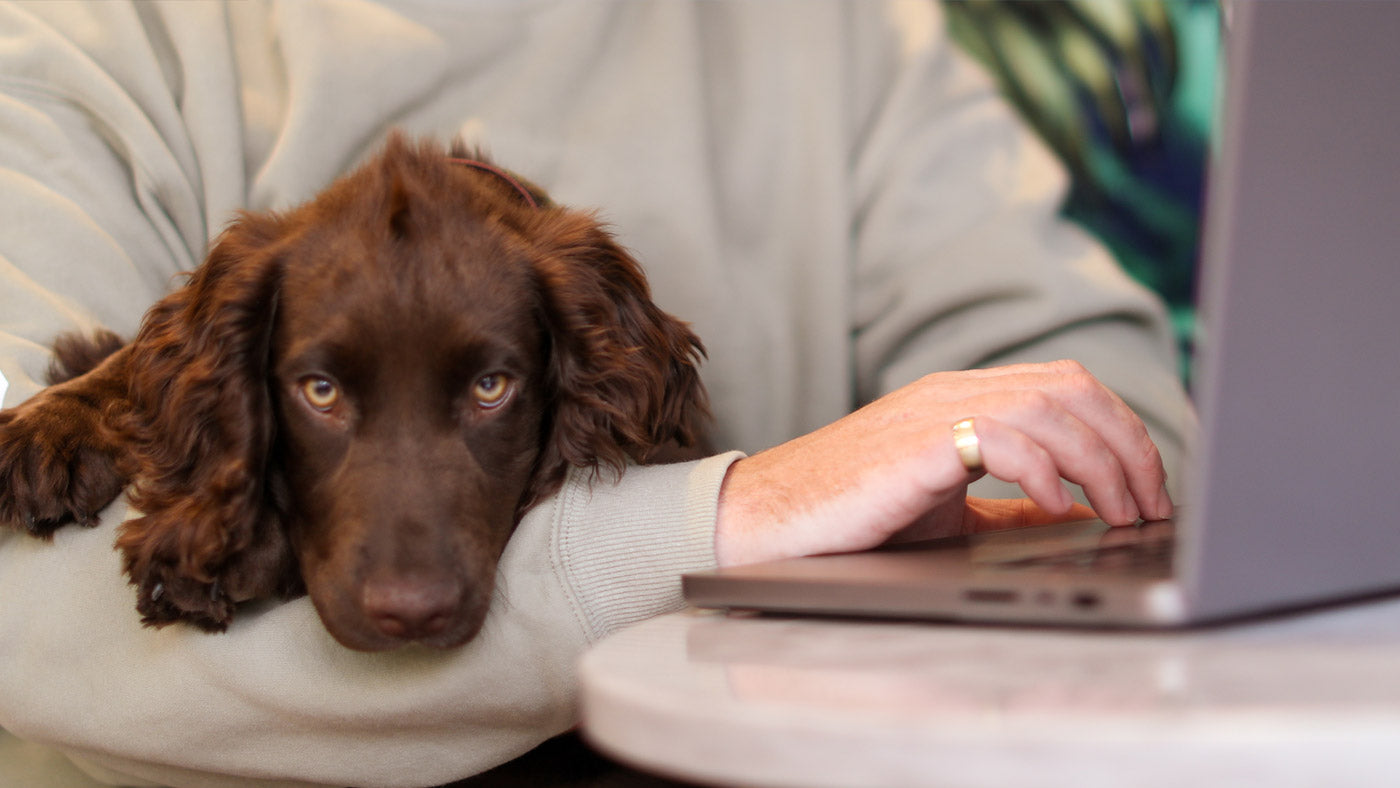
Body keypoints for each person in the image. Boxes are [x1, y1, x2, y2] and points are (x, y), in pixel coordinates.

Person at [0, 1, 1188, 786]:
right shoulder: (93, 35)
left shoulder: (832, 30)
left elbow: (1087, 385)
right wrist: (721, 526)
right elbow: (21, 604)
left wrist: (990, 484)